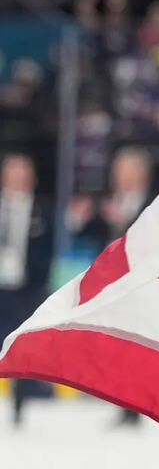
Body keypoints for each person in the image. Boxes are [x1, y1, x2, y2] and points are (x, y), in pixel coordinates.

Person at [0, 153, 53, 428]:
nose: (17, 177)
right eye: (13, 171)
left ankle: (19, 405)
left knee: (19, 347)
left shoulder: (42, 210)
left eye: (22, 171)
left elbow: (49, 248)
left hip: (26, 289)